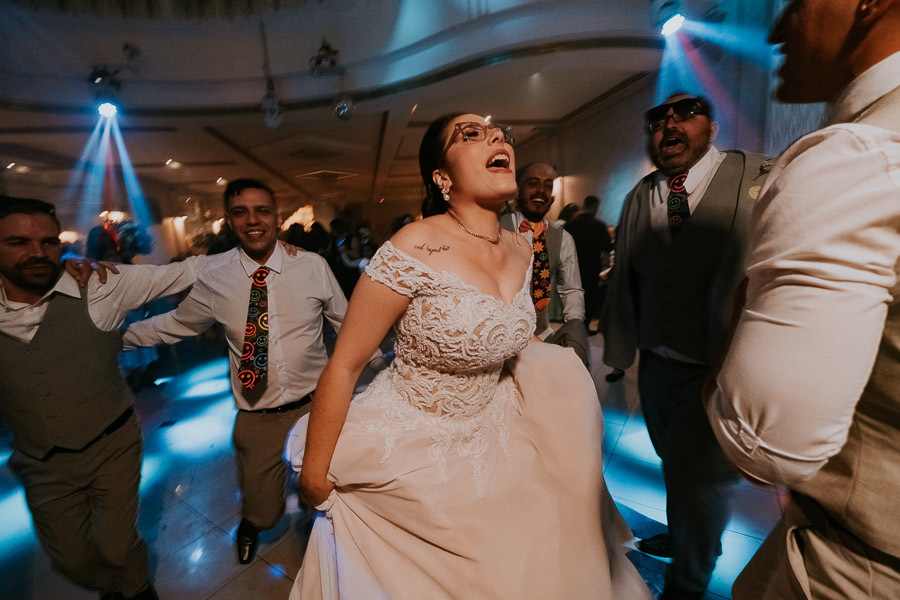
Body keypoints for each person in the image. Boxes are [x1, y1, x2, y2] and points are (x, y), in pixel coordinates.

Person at [286, 113, 652, 599]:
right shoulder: (413, 246)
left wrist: (563, 378)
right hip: (413, 445)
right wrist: (314, 477)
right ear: (442, 177)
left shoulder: (523, 249)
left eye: (499, 133)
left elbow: (512, 335)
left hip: (498, 431)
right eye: (471, 135)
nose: (496, 137)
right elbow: (346, 363)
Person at [706, 2, 900, 598]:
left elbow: (764, 447)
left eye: (794, 0)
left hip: (857, 570)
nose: (776, 27)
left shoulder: (860, 157)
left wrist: (744, 307)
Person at [123, 179, 359, 566]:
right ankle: (251, 524)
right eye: (240, 212)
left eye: (262, 211)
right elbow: (178, 324)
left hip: (317, 407)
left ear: (277, 218)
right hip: (257, 413)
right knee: (264, 511)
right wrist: (116, 339)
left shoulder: (311, 266)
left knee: (324, 488)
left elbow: (346, 324)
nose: (253, 220)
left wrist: (382, 369)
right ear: (230, 221)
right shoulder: (215, 276)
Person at [599, 93, 770, 600]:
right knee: (673, 463)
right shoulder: (642, 196)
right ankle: (684, 536)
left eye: (685, 113)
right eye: (657, 119)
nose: (669, 124)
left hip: (719, 367)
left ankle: (688, 583)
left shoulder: (756, 178)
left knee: (701, 482)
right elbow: (629, 275)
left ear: (713, 127)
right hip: (657, 364)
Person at [0, 196, 212, 600]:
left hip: (111, 445)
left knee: (117, 546)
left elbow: (186, 271)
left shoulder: (99, 285)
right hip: (40, 461)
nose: (37, 253)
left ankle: (136, 591)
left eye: (48, 242)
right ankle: (117, 586)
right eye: (18, 242)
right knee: (71, 561)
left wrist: (267, 251)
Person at [500, 162, 589, 366]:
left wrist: (574, 325)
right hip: (501, 339)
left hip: (542, 335)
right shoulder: (495, 228)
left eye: (548, 185)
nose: (541, 190)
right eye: (533, 183)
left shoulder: (563, 238)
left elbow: (572, 288)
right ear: (518, 190)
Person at [564, 194, 613, 334]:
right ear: (594, 207)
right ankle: (584, 326)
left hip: (572, 266)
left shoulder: (570, 224)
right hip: (591, 266)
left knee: (572, 295)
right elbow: (607, 248)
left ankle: (572, 325)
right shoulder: (599, 226)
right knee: (589, 297)